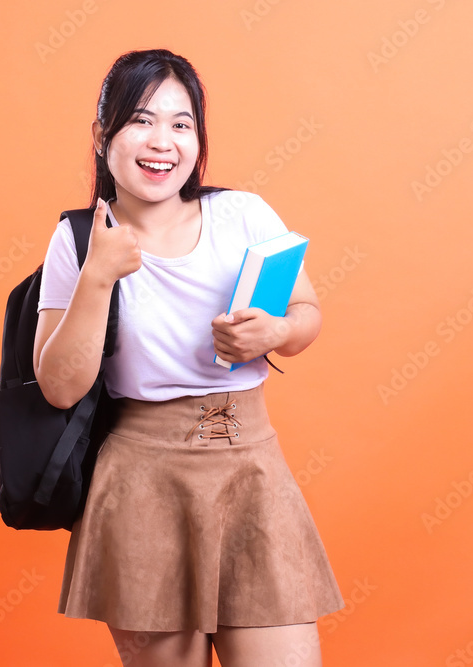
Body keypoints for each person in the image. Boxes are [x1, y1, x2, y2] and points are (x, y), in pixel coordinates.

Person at [33, 48, 344, 667]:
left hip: (252, 470)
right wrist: (98, 275)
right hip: (144, 482)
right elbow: (60, 389)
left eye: (182, 124)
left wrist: (274, 332)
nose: (163, 142)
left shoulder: (243, 214)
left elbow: (308, 316)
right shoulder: (78, 240)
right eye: (141, 120)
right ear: (103, 136)